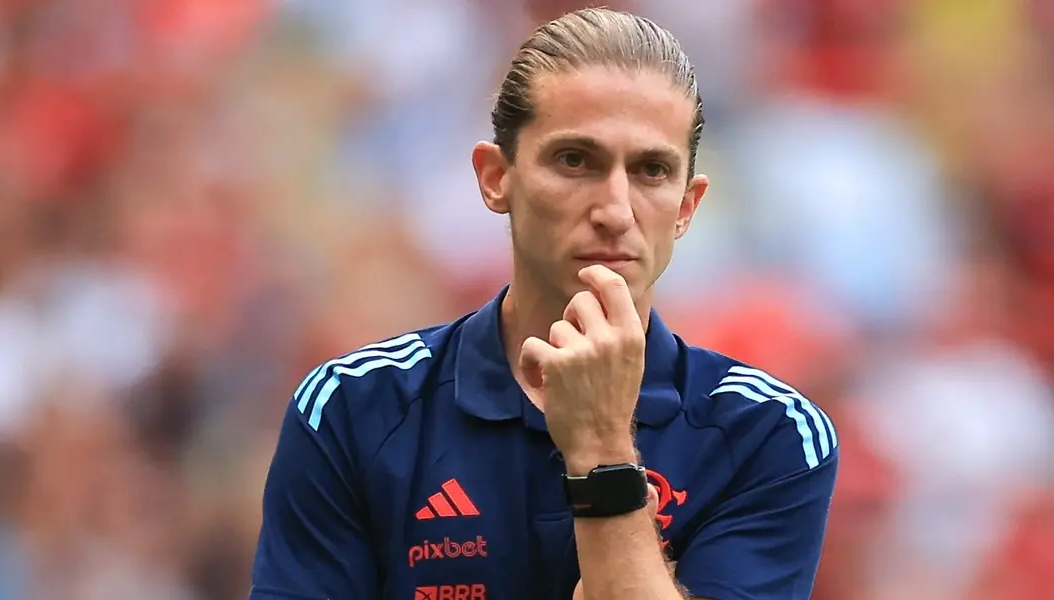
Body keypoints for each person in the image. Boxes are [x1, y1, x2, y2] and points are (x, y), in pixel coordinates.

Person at [249, 8, 838, 600]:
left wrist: (603, 448)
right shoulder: (354, 408)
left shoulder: (771, 434)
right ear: (495, 177)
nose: (615, 209)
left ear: (687, 206)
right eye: (575, 160)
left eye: (651, 170)